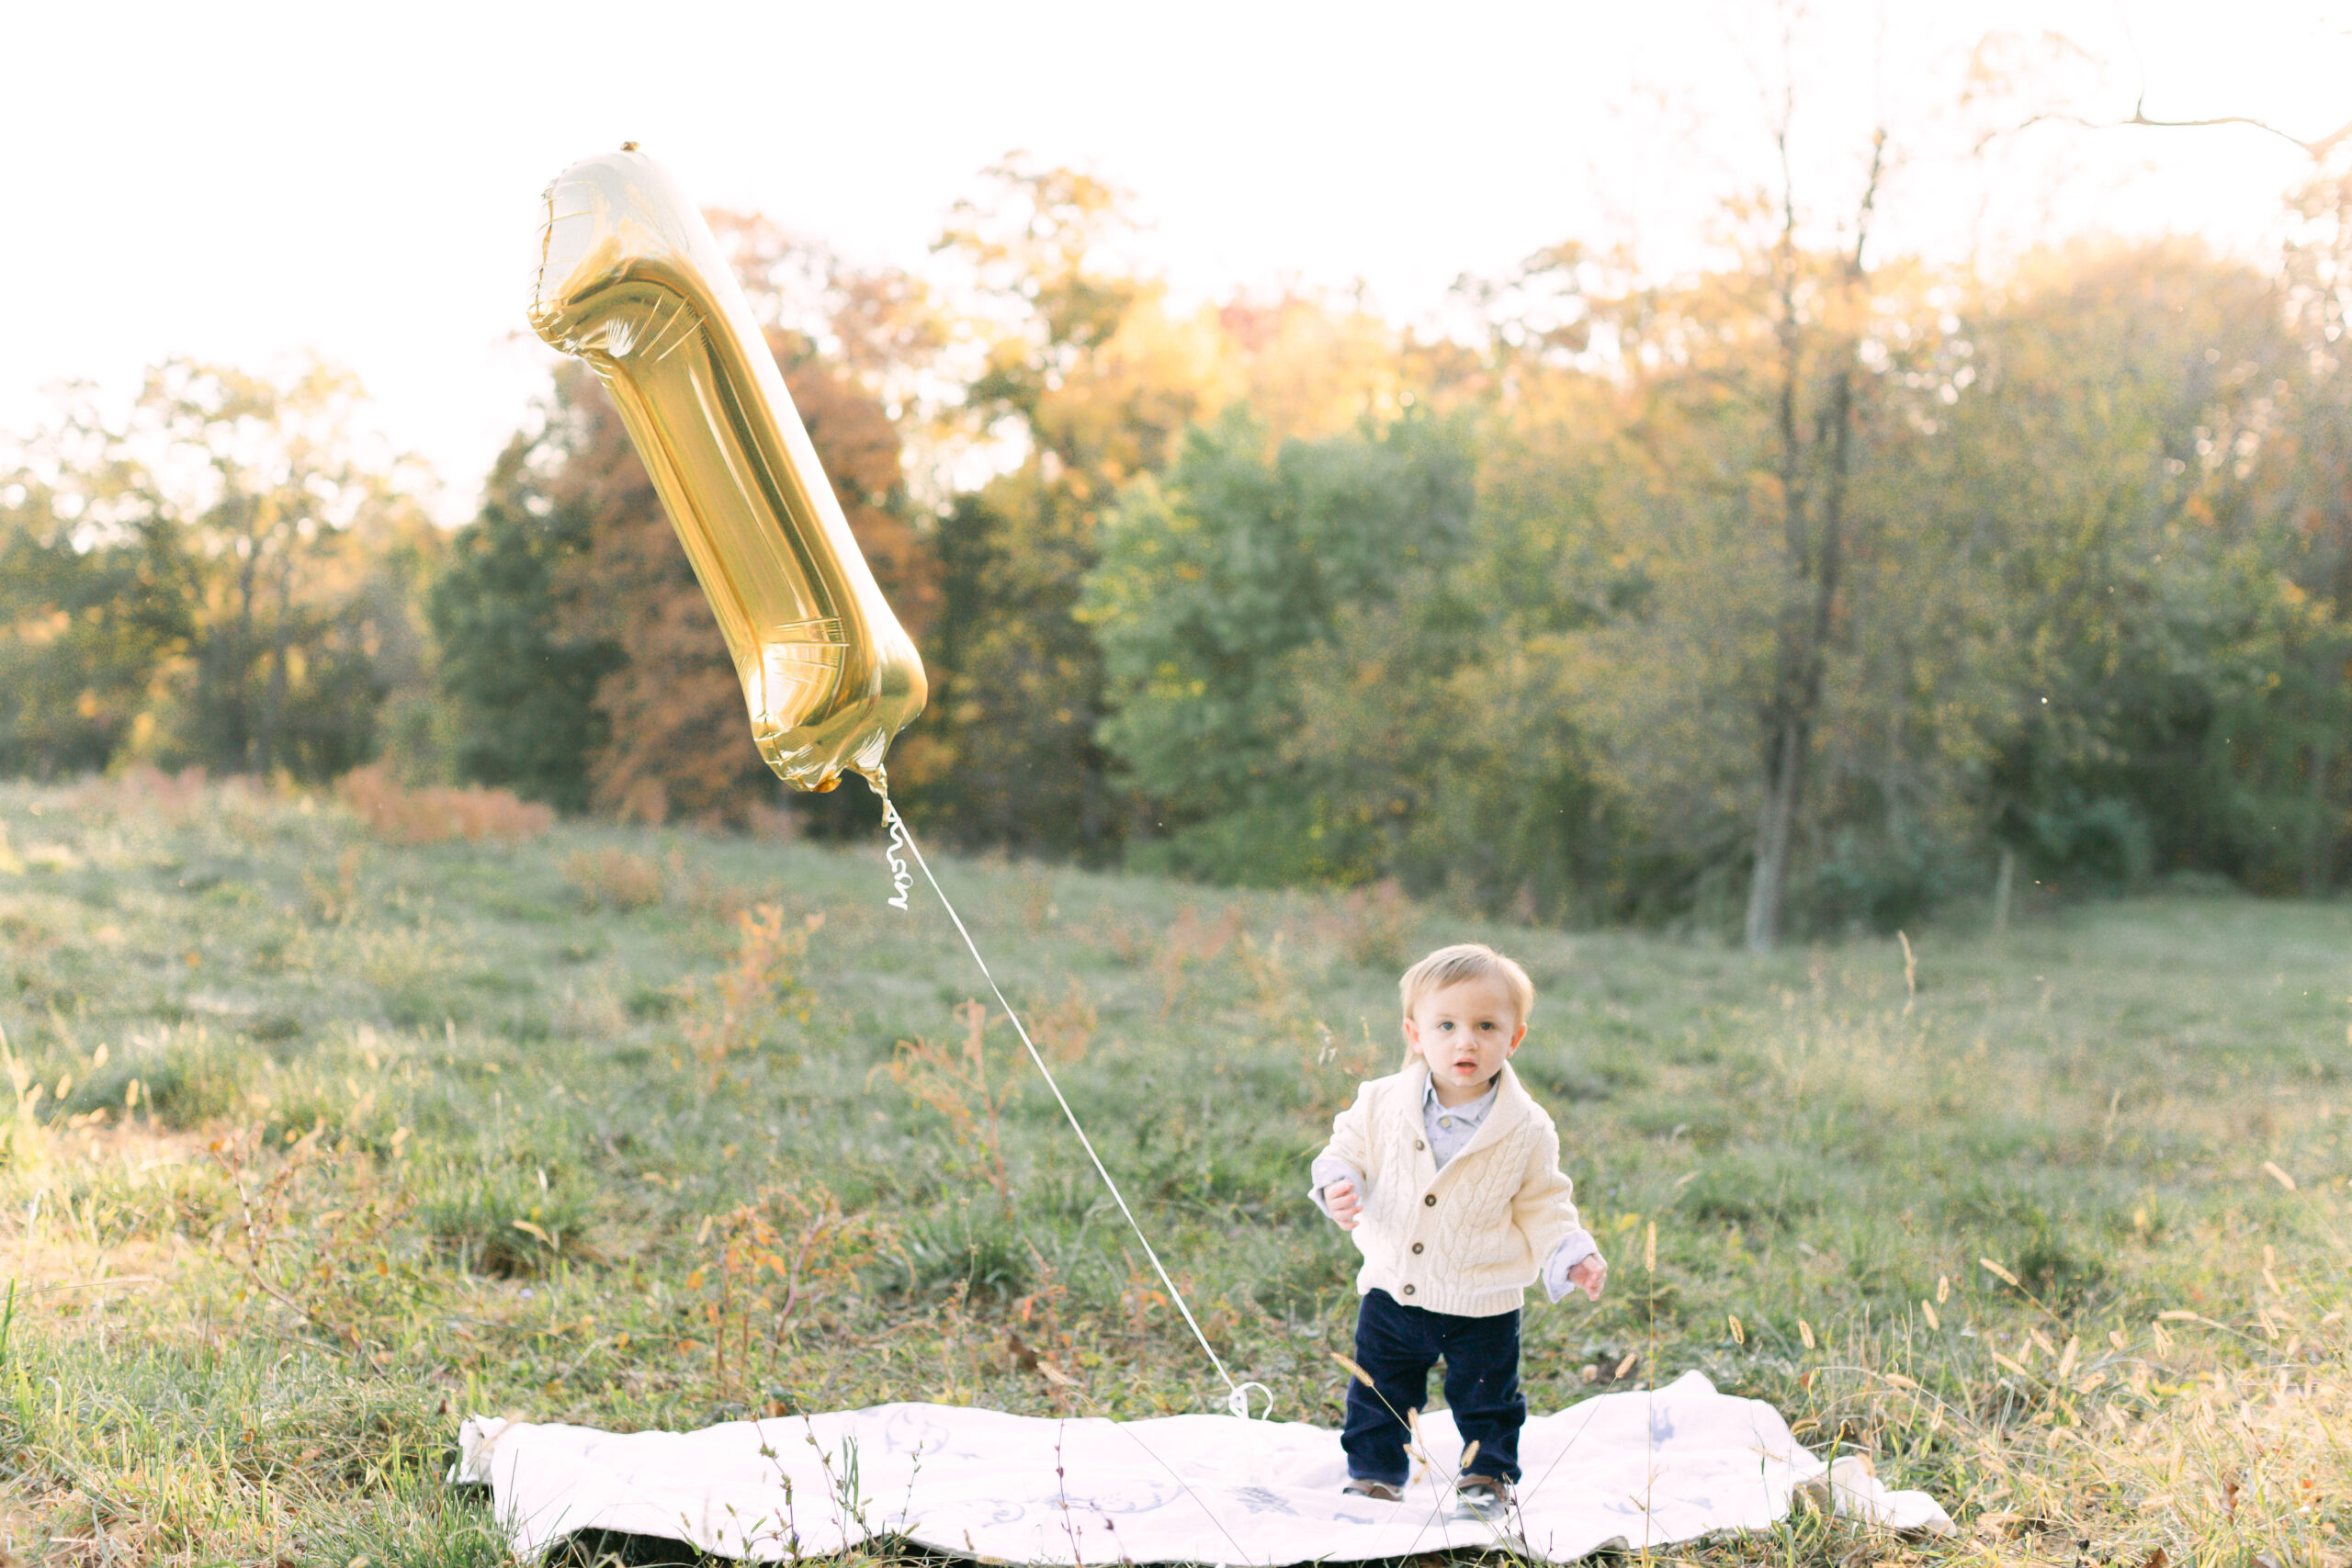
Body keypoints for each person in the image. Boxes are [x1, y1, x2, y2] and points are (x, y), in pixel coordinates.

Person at [1310, 942, 1607, 1515]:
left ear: (1514, 1037)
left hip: (1484, 1300)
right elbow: (1343, 1149)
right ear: (1415, 1034)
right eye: (1445, 1025)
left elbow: (1546, 1202)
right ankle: (1375, 1473)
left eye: (1485, 1026)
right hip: (1394, 1287)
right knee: (1378, 1390)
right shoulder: (1380, 1102)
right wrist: (1338, 1183)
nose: (1465, 1041)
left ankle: (1487, 1476)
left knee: (1487, 1398)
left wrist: (1571, 1251)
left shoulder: (1525, 1127)